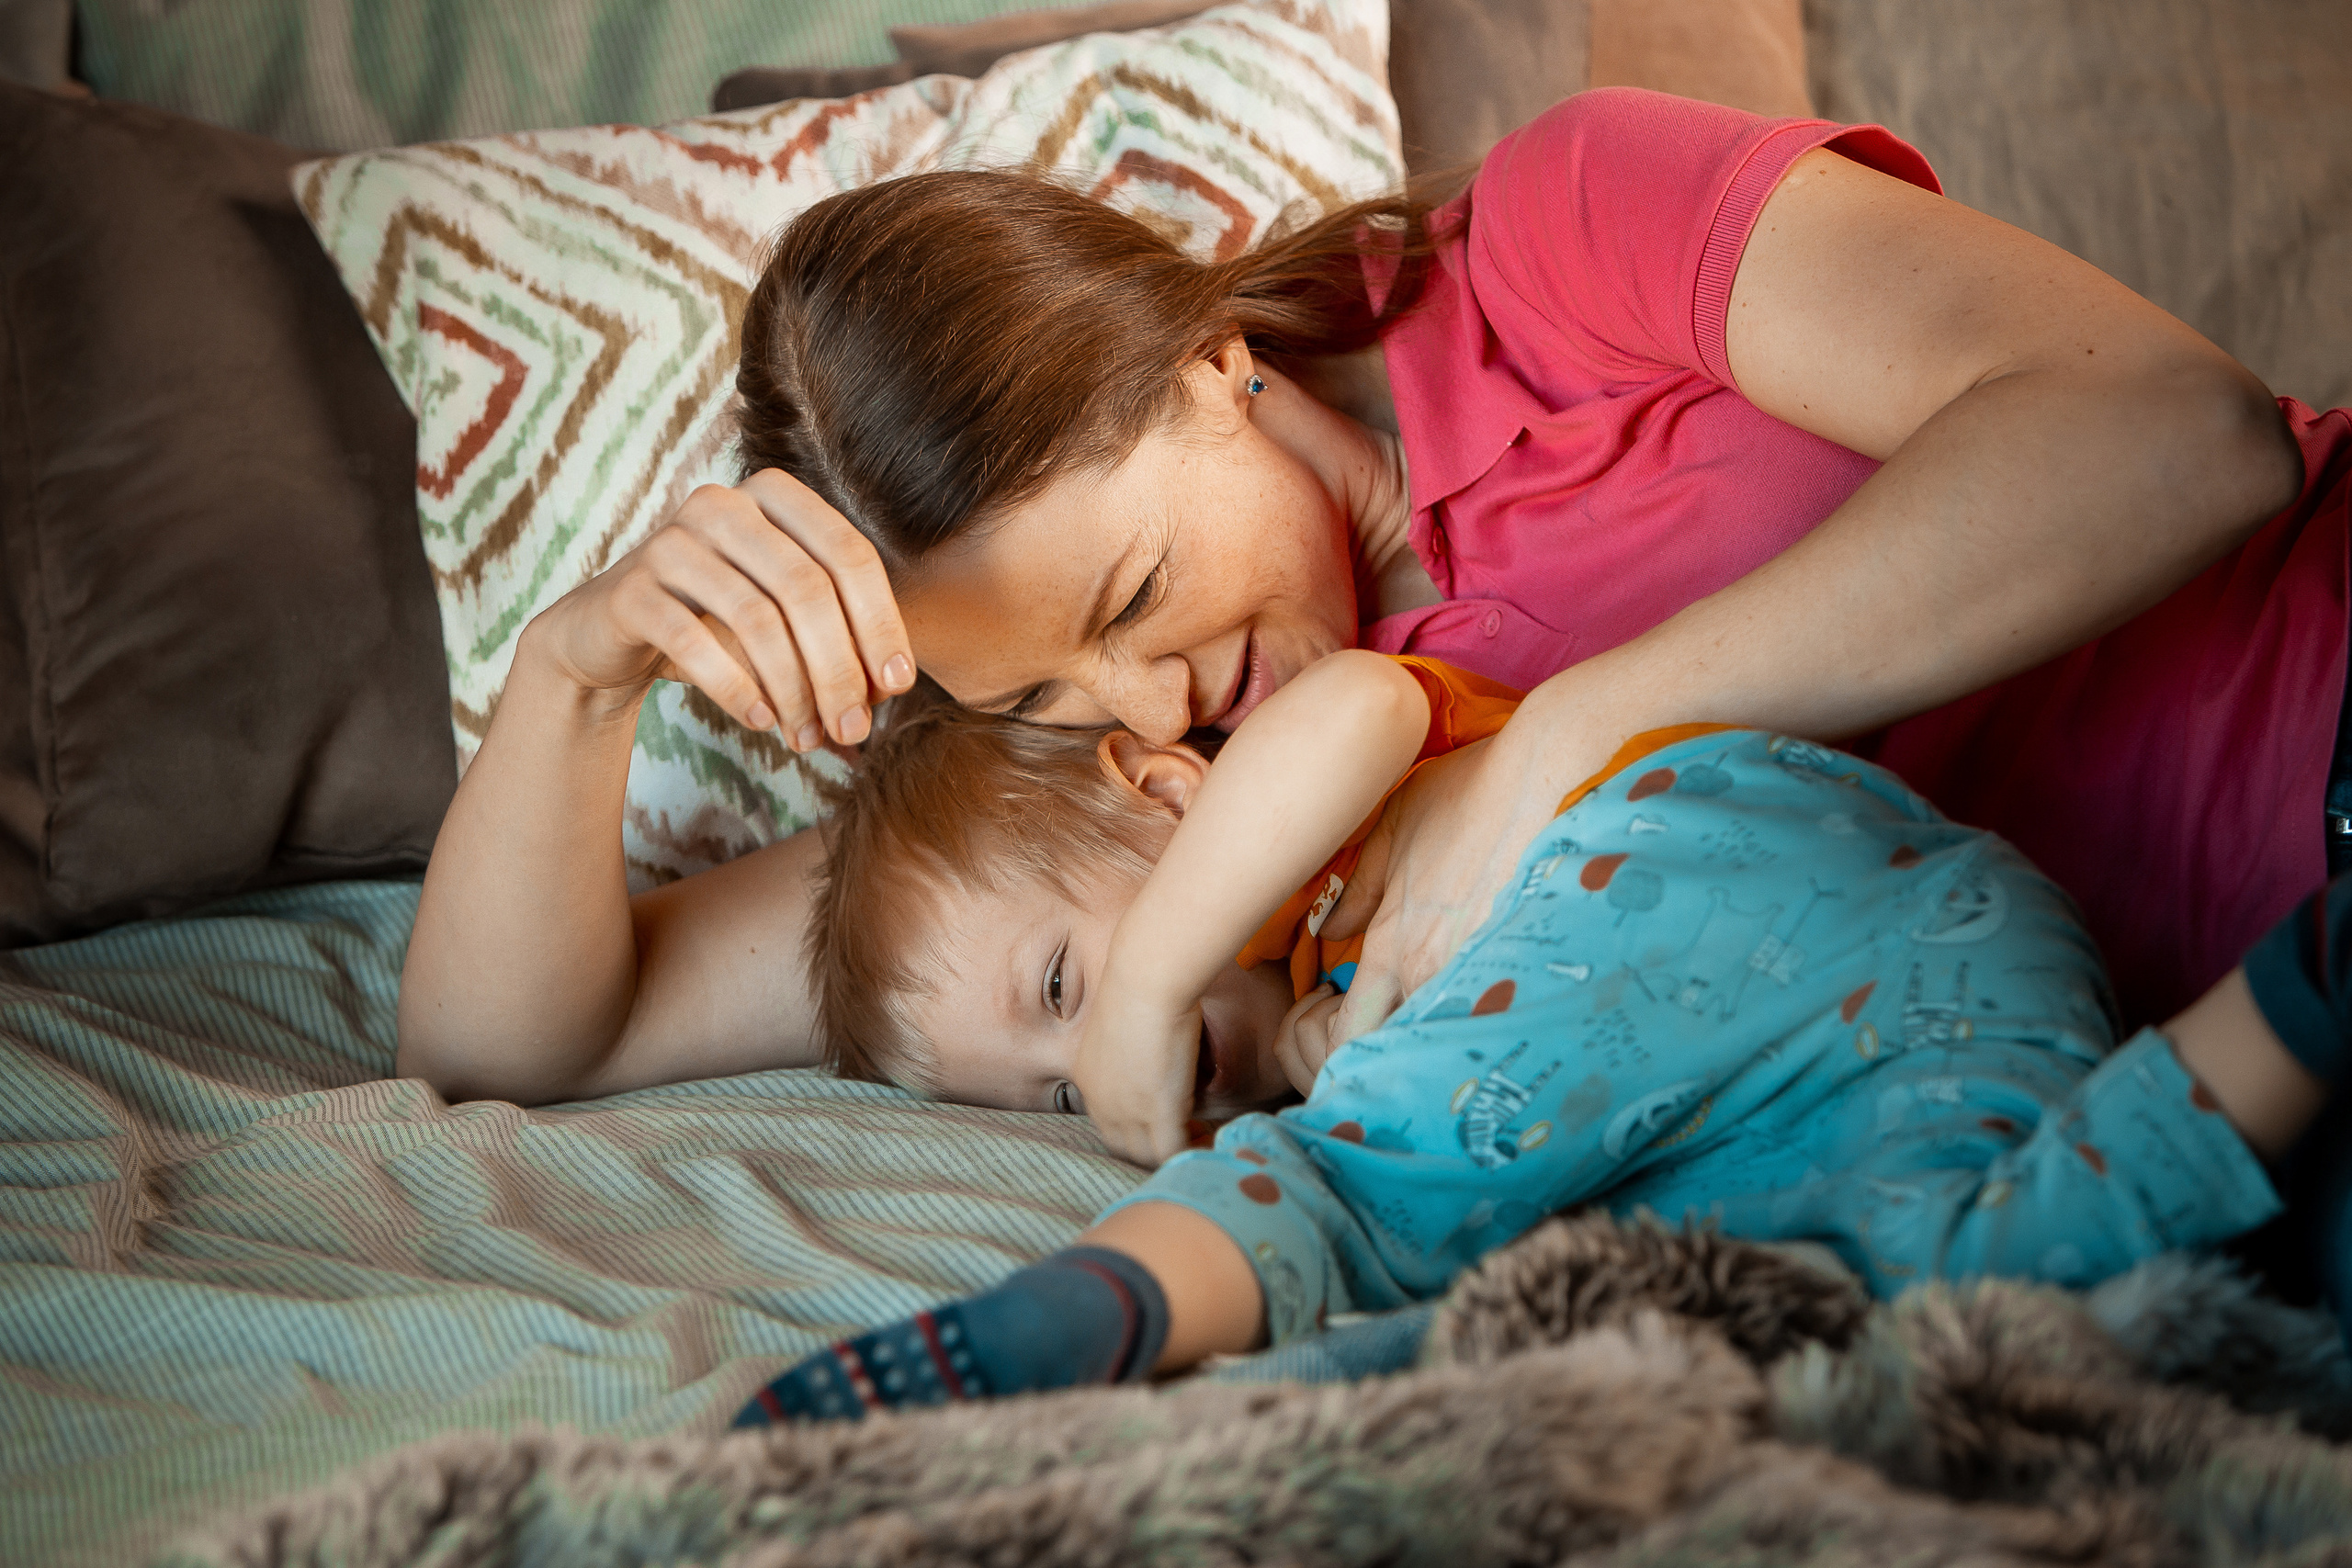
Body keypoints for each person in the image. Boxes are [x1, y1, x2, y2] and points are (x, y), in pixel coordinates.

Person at [394, 86, 2341, 1117]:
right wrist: (579, 670)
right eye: (1060, 702)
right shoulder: (1188, 778)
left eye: (1137, 593)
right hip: (2240, 1051)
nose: (1145, 712)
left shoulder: (1560, 241)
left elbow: (2173, 435)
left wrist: (1579, 728)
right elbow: (515, 1043)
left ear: (1203, 357)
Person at [728, 648, 2339, 1423]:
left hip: (1668, 858)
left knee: (1346, 1191)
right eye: (1050, 1090)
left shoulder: (1307, 780)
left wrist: (1155, 986)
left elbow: (1362, 706)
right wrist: (1297, 1046)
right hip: (1958, 976)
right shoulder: (1329, 1018)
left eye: (1062, 991)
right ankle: (2296, 1002)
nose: (1094, 1084)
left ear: (1157, 788)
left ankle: (1095, 1307)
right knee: (1946, 1287)